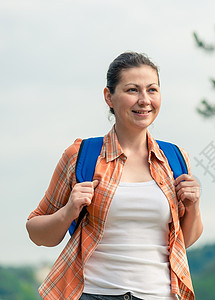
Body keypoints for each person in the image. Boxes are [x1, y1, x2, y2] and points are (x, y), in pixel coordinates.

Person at [26, 52, 203, 300]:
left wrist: (193, 206)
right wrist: (69, 211)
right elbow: (36, 231)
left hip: (161, 294)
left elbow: (185, 240)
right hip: (94, 293)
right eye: (132, 90)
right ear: (109, 97)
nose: (144, 100)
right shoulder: (81, 155)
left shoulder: (174, 158)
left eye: (152, 90)